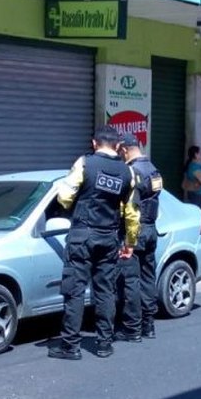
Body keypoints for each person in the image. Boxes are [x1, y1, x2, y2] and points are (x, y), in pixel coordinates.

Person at [51, 125, 140, 360]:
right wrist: (130, 242)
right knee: (106, 291)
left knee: (75, 290)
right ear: (118, 146)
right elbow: (132, 212)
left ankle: (70, 346)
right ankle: (104, 344)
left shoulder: (85, 163)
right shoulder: (127, 172)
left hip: (82, 235)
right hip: (110, 238)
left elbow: (65, 196)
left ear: (94, 143)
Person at [115, 130, 162, 342]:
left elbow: (130, 207)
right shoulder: (154, 170)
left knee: (130, 280)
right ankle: (148, 325)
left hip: (135, 231)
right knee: (148, 277)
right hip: (151, 229)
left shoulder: (132, 172)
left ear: (125, 149)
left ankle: (132, 328)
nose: (119, 156)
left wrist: (128, 239)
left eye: (120, 152)